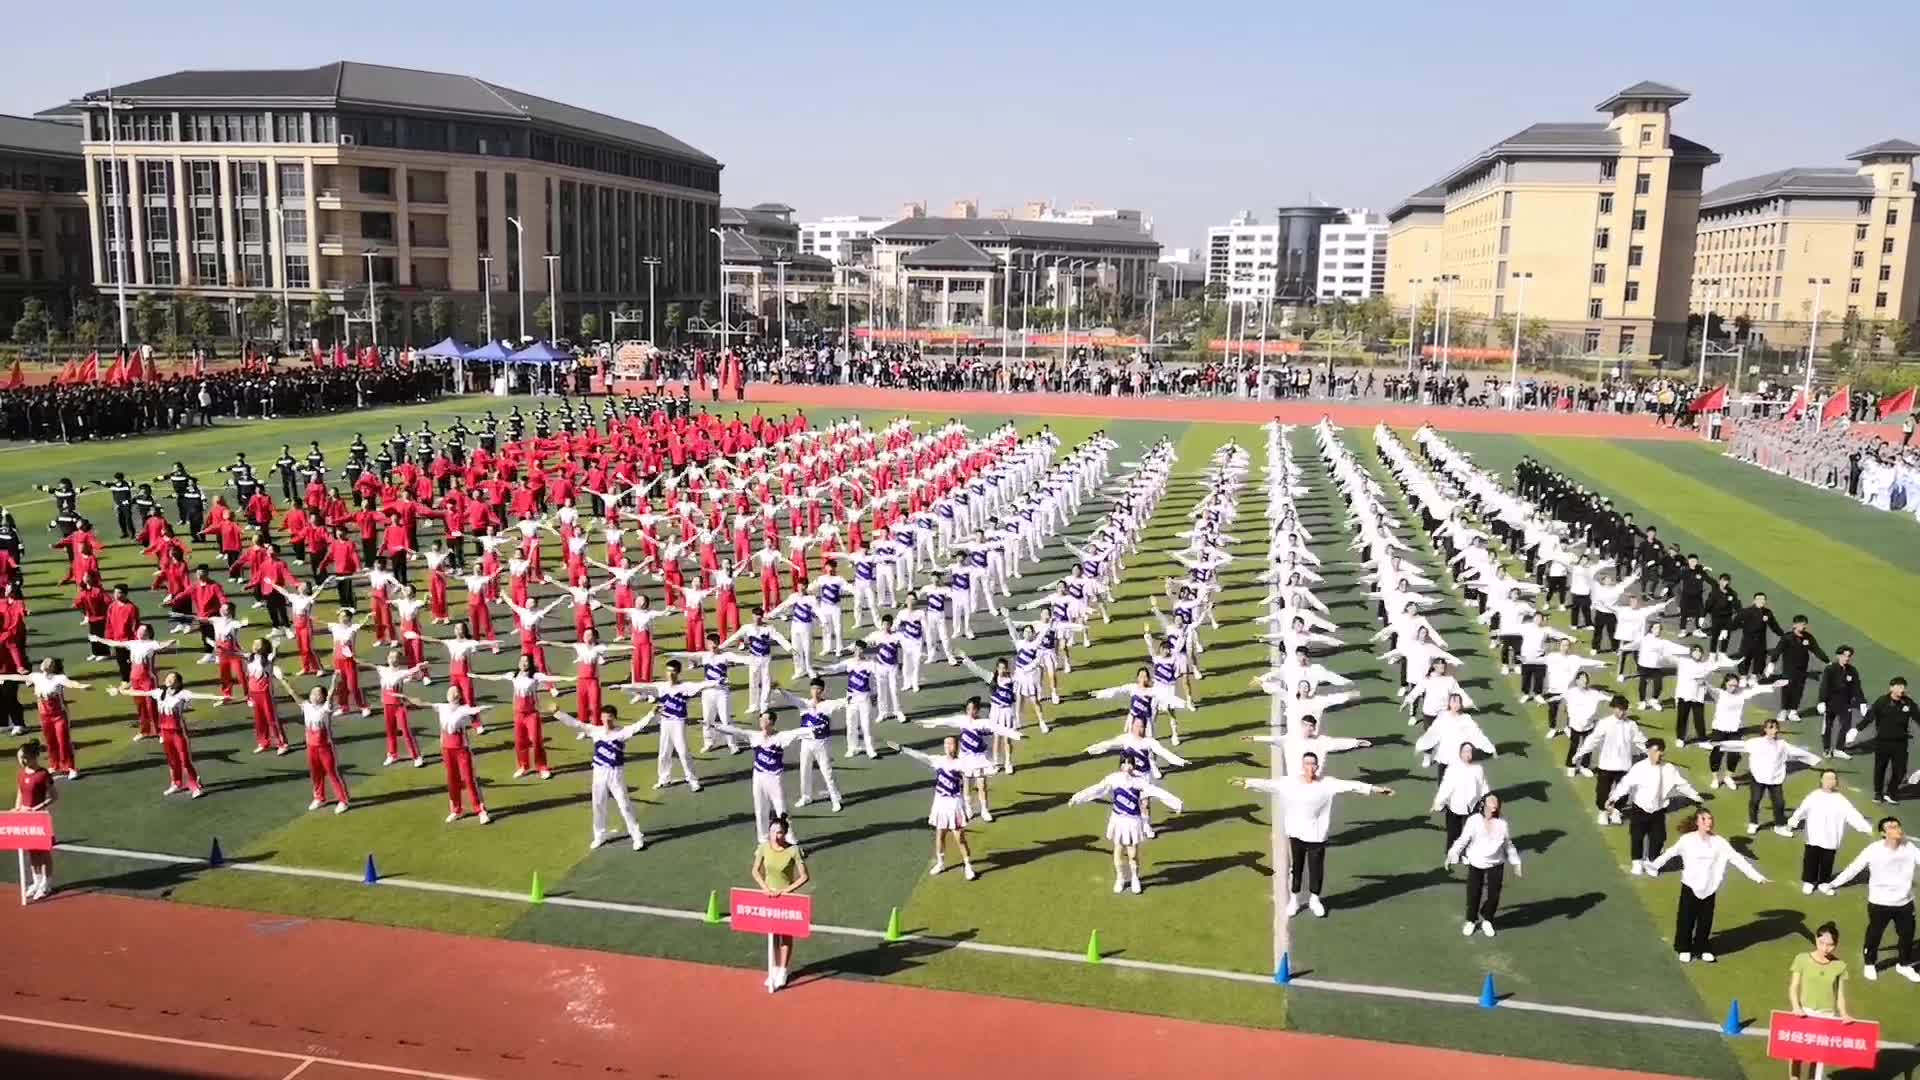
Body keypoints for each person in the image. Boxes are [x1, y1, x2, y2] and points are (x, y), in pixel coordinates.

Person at [1235, 752, 1393, 918]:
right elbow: (1268, 785)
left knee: (1316, 869)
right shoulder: (1289, 783)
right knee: (1297, 868)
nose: (1309, 766)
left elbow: (1352, 785)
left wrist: (1376, 789)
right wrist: (1246, 782)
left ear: (1317, 767)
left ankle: (1315, 900)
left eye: (1313, 764)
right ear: (1302, 767)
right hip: (1295, 834)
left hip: (1316, 837)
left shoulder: (1328, 784)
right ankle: (1294, 900)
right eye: (1306, 763)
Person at [1648, 809, 1768, 963]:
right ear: (1697, 822)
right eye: (1704, 819)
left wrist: (1757, 877)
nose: (1708, 822)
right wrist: (1654, 865)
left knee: (1705, 920)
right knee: (1686, 919)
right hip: (1690, 885)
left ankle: (1702, 947)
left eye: (1710, 819)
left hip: (1710, 887)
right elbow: (1670, 853)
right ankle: (1683, 948)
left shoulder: (1719, 842)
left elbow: (1737, 859)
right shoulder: (1687, 840)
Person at [1824, 816, 1919, 982]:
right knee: (1875, 934)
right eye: (1892, 827)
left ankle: (1903, 965)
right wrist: (1832, 884)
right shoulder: (1873, 850)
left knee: (1907, 934)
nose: (1897, 829)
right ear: (1883, 833)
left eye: (1898, 826)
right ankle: (1870, 963)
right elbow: (1853, 869)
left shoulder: (1910, 847)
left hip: (1904, 902)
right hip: (1879, 903)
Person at [1068, 759, 1184, 894]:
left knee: (1133, 854)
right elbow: (1096, 789)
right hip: (1118, 821)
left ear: (1133, 767)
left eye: (1130, 764)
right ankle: (1120, 878)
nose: (1127, 766)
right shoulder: (1113, 779)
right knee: (1117, 850)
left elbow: (1157, 792)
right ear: (1120, 765)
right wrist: (1077, 798)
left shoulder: (1139, 782)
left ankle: (1135, 878)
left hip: (1133, 822)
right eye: (1124, 763)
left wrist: (1176, 802)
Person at [554, 705, 651, 850]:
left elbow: (638, 726)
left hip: (615, 773)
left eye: (610, 716)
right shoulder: (595, 731)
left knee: (624, 805)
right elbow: (576, 724)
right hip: (598, 772)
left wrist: (651, 714)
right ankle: (600, 835)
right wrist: (558, 713)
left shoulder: (622, 732)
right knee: (598, 804)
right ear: (601, 718)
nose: (607, 720)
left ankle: (636, 836)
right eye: (604, 716)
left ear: (614, 718)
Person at [1607, 738, 1703, 876]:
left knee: (1658, 838)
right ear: (1648, 751)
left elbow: (1682, 785)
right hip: (1639, 809)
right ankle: (1637, 862)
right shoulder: (1639, 768)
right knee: (1637, 837)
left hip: (1658, 811)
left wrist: (1695, 796)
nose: (1657, 754)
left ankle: (1652, 861)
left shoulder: (1669, 769)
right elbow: (1625, 784)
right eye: (1654, 751)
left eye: (1660, 751)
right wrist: (1614, 798)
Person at [890, 736, 980, 880]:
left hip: (954, 804)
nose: (947, 746)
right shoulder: (938, 760)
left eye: (950, 743)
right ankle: (940, 862)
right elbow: (921, 756)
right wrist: (902, 749)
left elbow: (973, 773)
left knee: (960, 837)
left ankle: (968, 866)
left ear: (956, 746)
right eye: (946, 744)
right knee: (940, 834)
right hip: (940, 803)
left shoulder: (961, 763)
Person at [1444, 793, 1521, 937]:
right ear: (1483, 805)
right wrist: (1451, 855)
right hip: (1476, 861)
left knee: (1494, 894)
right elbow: (1462, 840)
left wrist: (1516, 862)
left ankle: (1487, 919)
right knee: (1474, 893)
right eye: (1490, 805)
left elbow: (1507, 844)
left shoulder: (1502, 823)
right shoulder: (1474, 821)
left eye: (1495, 806)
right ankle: (1471, 920)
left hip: (1496, 862)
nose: (1493, 808)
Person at [1785, 770, 1873, 896]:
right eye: (1827, 778)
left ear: (1836, 782)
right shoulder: (1814, 796)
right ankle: (1809, 881)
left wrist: (1868, 829)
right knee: (1811, 858)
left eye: (1832, 779)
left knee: (1827, 860)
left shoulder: (1841, 800)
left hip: (1832, 836)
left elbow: (1853, 815)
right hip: (1814, 835)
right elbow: (1802, 810)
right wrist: (1793, 821)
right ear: (1821, 780)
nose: (1830, 781)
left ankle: (1823, 883)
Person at [749, 814, 810, 992]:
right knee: (772, 935)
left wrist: (786, 891)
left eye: (780, 832)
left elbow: (804, 876)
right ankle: (773, 968)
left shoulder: (793, 851)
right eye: (773, 832)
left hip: (785, 898)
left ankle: (783, 970)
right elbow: (755, 870)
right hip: (769, 896)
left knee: (786, 935)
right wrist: (764, 888)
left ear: (785, 833)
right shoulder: (763, 848)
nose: (776, 836)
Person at [1786, 922, 1854, 1079]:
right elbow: (1794, 986)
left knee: (1816, 1057)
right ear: (1816, 940)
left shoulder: (1840, 966)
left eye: (1830, 945)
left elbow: (1840, 995)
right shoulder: (1801, 959)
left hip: (1826, 1015)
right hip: (1804, 1012)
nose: (1825, 948)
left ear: (1836, 945)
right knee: (1795, 1053)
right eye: (1822, 943)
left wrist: (1844, 1014)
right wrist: (1796, 1007)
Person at [12, 740, 54, 901]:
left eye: (24, 757)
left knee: (44, 853)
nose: (22, 761)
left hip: (39, 817)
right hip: (25, 817)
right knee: (32, 852)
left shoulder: (43, 774)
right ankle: (36, 882)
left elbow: (54, 796)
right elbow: (20, 794)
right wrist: (16, 810)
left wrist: (37, 808)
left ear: (32, 756)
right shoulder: (21, 774)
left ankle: (47, 883)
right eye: (20, 758)